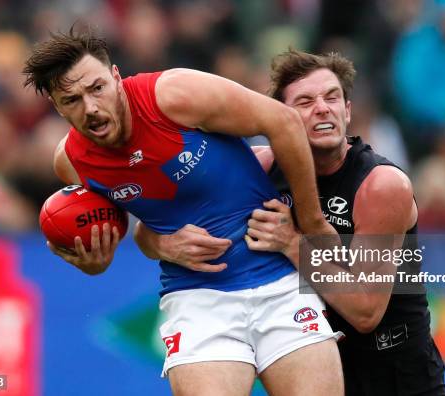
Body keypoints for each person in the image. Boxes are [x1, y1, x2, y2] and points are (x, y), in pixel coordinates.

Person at [22, 30, 343, 395]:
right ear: (56, 105)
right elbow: (141, 231)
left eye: (97, 88)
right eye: (73, 99)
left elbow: (283, 122)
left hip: (280, 280)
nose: (91, 107)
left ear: (115, 76)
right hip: (198, 298)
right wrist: (113, 258)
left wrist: (314, 222)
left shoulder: (174, 95)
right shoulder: (73, 163)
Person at [138, 49, 445, 395]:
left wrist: (291, 243)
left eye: (332, 98)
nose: (322, 108)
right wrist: (162, 244)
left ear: (347, 111)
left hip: (397, 379)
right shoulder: (261, 169)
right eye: (305, 102)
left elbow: (365, 311)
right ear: (279, 119)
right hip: (320, 372)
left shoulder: (381, 185)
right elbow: (152, 224)